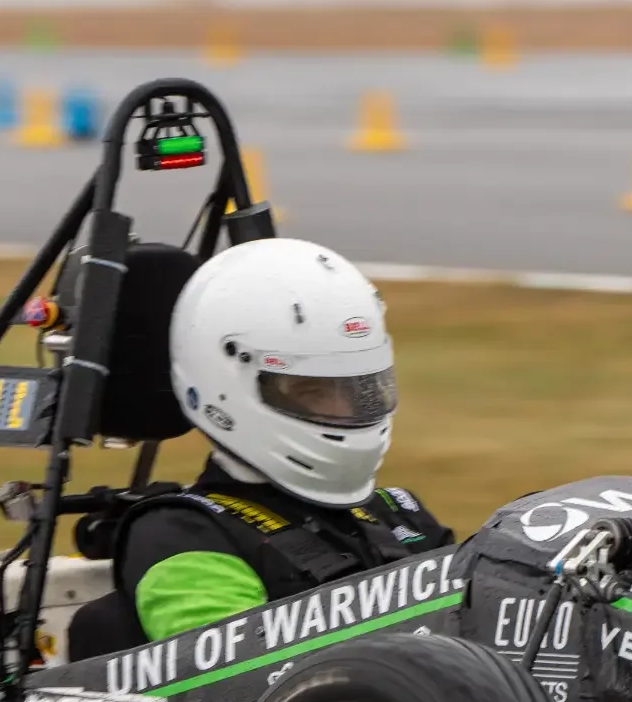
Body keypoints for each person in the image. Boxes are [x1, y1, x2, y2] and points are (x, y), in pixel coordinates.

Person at [114, 237, 452, 643]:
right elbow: (230, 684)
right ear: (226, 385)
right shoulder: (182, 537)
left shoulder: (401, 516)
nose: (345, 407)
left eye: (359, 388)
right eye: (314, 390)